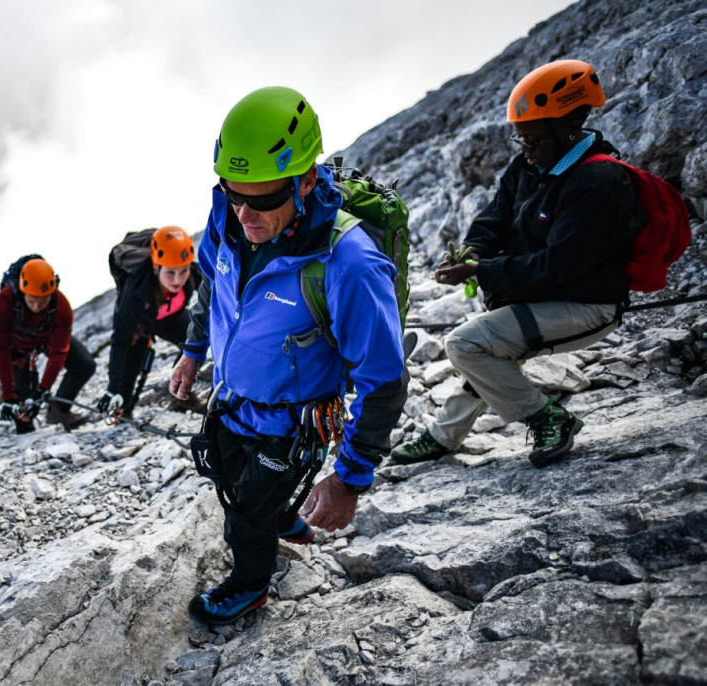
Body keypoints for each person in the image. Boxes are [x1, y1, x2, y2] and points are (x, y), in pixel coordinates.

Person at [170, 86, 407, 625]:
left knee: (243, 518)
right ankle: (285, 516)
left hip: (293, 423)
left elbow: (385, 380)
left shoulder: (348, 264)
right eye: (235, 194)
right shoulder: (227, 221)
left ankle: (251, 583)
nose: (246, 214)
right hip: (232, 400)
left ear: (305, 181)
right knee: (227, 476)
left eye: (265, 199)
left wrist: (349, 479)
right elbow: (213, 284)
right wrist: (191, 352)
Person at [390, 59, 642, 469]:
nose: (525, 150)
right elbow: (496, 215)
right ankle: (443, 436)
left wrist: (481, 272)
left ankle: (547, 418)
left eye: (533, 139)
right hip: (542, 297)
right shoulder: (532, 162)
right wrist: (473, 250)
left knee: (466, 344)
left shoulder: (599, 184)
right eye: (520, 140)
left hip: (587, 303)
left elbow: (557, 266)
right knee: (488, 348)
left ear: (571, 125)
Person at [99, 226, 203, 419]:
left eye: (183, 271)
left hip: (169, 319)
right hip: (140, 324)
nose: (178, 280)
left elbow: (215, 294)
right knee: (130, 371)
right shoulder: (135, 292)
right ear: (156, 267)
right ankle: (121, 411)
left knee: (198, 333)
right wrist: (112, 389)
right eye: (170, 273)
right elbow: (120, 342)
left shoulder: (194, 273)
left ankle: (181, 396)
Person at [0, 257, 96, 433]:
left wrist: (43, 389)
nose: (37, 307)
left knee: (84, 365)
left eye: (43, 300)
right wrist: (9, 396)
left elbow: (59, 352)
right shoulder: (4, 301)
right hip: (16, 349)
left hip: (46, 339)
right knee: (22, 407)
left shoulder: (61, 305)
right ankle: (26, 436)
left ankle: (59, 411)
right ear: (22, 291)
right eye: (31, 301)